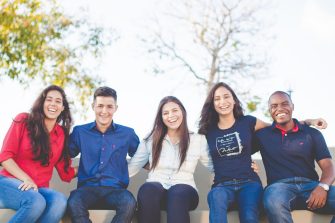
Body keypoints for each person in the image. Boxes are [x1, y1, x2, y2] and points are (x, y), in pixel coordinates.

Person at [198, 82, 326, 223]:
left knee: (249, 214)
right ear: (213, 103)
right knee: (216, 198)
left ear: (234, 100)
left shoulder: (248, 122)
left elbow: (278, 126)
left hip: (249, 183)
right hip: (221, 185)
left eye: (226, 96)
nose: (223, 101)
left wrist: (308, 122)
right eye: (217, 99)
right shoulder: (207, 131)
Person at [128, 96, 214, 223]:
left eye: (175, 110)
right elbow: (133, 166)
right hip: (156, 192)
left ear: (182, 112)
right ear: (161, 117)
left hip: (185, 192)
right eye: (165, 113)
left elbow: (214, 165)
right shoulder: (150, 139)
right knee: (147, 189)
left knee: (177, 193)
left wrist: (243, 167)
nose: (171, 115)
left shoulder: (198, 139)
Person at [254, 91, 335, 223]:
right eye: (274, 106)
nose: (279, 108)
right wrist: (248, 163)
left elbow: (328, 166)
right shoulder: (262, 135)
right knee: (273, 202)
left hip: (311, 187)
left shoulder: (312, 133)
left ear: (292, 106)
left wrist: (323, 187)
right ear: (270, 110)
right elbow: (239, 151)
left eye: (284, 104)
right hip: (279, 188)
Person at [0, 85, 76, 223]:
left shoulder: (61, 135)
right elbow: (5, 157)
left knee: (59, 202)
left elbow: (66, 173)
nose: (53, 104)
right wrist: (26, 179)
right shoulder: (24, 120)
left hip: (38, 189)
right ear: (42, 103)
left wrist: (96, 167)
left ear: (63, 107)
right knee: (36, 202)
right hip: (8, 182)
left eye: (58, 101)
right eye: (49, 99)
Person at [67, 86, 140, 223]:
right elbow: (63, 155)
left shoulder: (128, 134)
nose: (104, 111)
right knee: (74, 201)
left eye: (109, 106)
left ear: (115, 108)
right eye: (100, 106)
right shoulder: (79, 132)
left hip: (116, 190)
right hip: (86, 189)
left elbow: (143, 157)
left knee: (129, 202)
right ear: (93, 106)